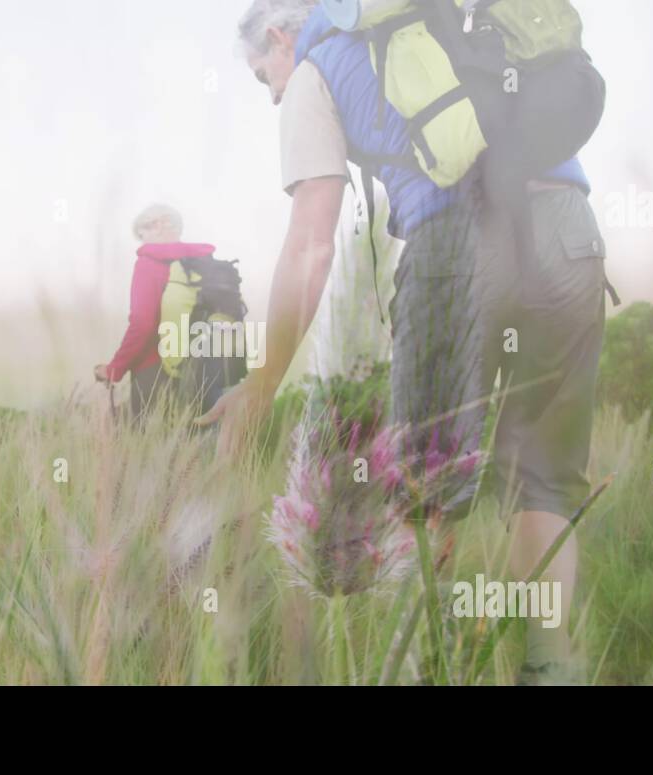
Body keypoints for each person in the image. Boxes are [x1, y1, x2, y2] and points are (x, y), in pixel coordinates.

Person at [198, 0, 612, 684]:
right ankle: (553, 671)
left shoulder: (316, 70)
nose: (273, 92)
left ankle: (429, 670)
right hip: (569, 235)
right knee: (545, 477)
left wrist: (263, 383)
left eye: (261, 74)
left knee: (425, 484)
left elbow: (310, 246)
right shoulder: (456, 20)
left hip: (456, 246)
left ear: (280, 35)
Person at [95, 204, 221, 422]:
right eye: (151, 223)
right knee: (200, 445)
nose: (159, 226)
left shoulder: (148, 263)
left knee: (147, 448)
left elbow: (143, 325)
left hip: (155, 371)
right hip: (207, 368)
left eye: (165, 221)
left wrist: (114, 369)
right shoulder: (204, 261)